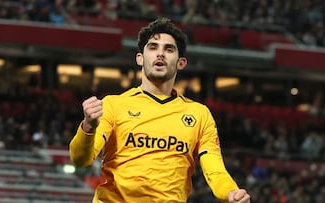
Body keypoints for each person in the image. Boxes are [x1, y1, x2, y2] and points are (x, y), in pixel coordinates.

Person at [69, 17, 251, 203]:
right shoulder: (113, 105)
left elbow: (215, 171)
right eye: (153, 47)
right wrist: (88, 127)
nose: (160, 54)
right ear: (140, 58)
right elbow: (80, 159)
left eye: (169, 49)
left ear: (181, 62)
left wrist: (231, 193)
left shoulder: (199, 114)